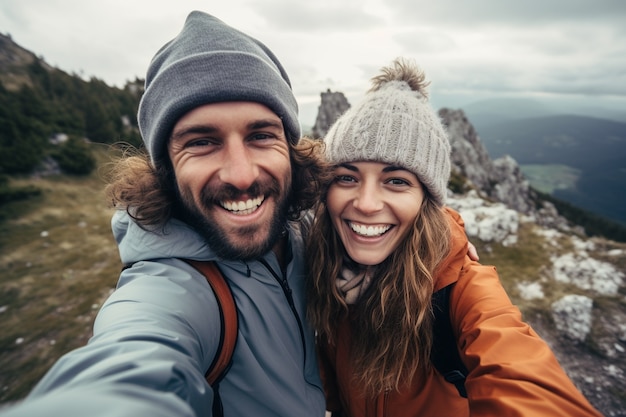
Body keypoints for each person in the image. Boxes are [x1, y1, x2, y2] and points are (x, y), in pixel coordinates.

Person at [0, 11, 327, 417]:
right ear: (166, 169)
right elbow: (130, 367)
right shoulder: (174, 288)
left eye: (261, 136)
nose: (242, 174)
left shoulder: (304, 230)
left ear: (290, 149)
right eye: (202, 142)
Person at [305, 58, 603, 417]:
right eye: (346, 177)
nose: (366, 204)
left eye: (396, 181)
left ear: (426, 201)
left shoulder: (461, 288)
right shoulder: (320, 264)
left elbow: (523, 376)